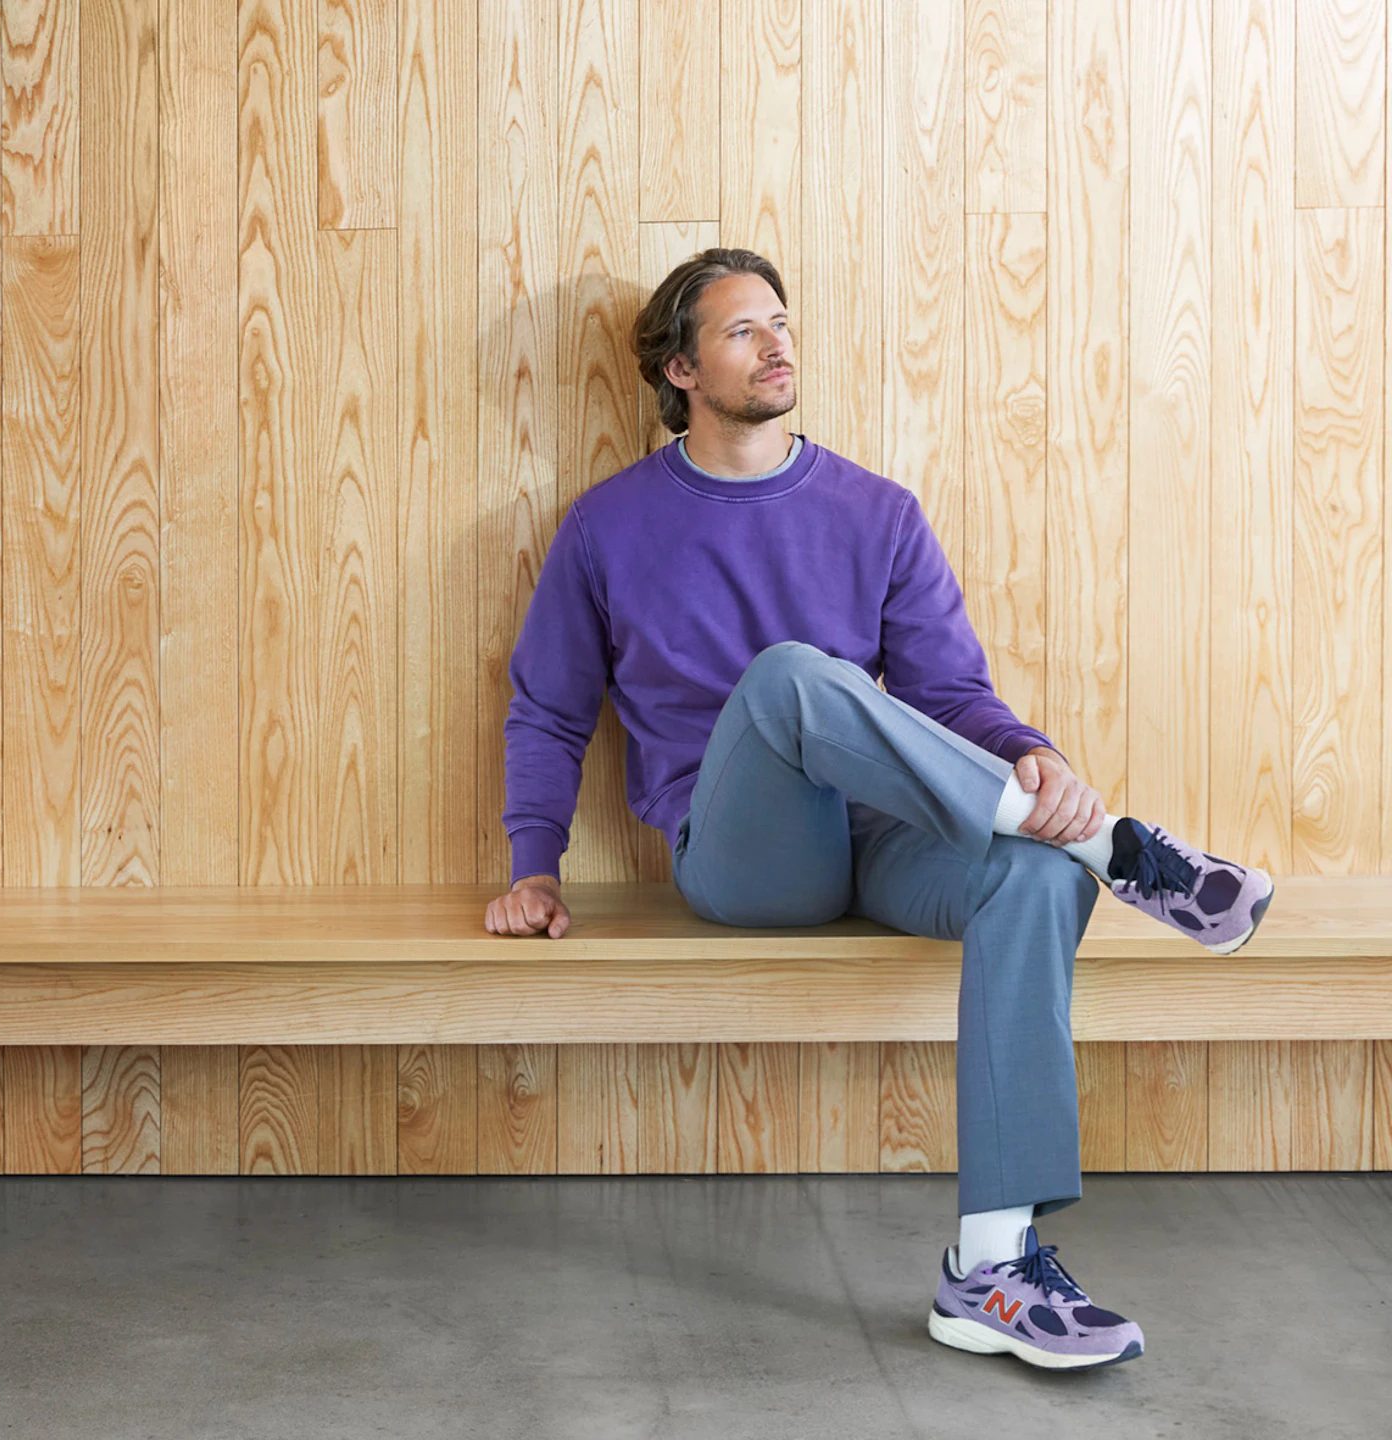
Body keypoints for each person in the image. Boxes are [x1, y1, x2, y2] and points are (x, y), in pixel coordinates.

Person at [484, 248, 1275, 1372]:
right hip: (743, 859)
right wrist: (535, 865)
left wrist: (1038, 759)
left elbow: (952, 692)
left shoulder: (876, 510)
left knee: (1039, 876)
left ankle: (993, 1264)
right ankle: (1121, 852)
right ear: (680, 369)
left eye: (783, 322)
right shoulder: (607, 527)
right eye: (742, 330)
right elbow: (548, 710)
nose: (777, 343)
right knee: (796, 676)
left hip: (884, 842)